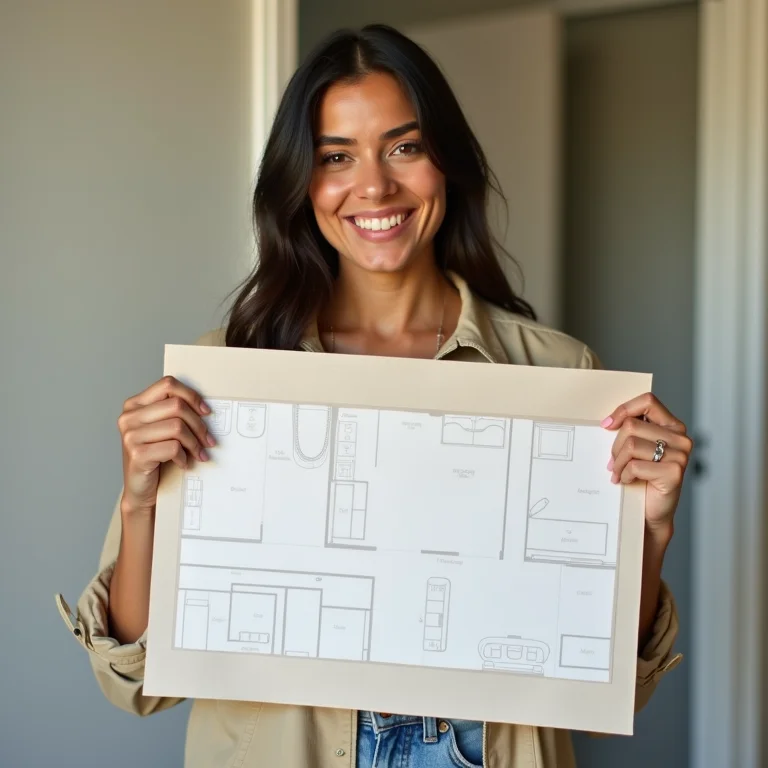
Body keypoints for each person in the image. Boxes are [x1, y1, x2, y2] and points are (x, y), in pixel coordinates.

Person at [56, 23, 688, 768]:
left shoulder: (559, 375)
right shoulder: (221, 376)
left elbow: (611, 683)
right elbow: (133, 683)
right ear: (302, 181)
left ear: (444, 163)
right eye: (336, 157)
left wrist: (647, 533)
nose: (376, 185)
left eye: (404, 146)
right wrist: (139, 504)